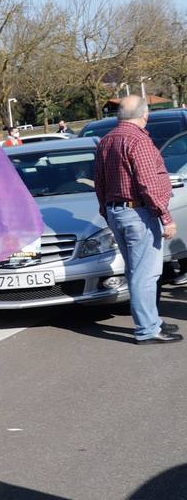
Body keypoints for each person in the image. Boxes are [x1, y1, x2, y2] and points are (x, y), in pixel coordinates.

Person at [94, 96, 183, 344]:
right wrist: (166, 218)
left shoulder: (106, 140)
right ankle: (148, 329)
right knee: (145, 274)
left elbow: (99, 183)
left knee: (136, 271)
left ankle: (151, 320)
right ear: (145, 115)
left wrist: (107, 212)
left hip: (119, 211)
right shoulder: (138, 140)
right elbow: (147, 183)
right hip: (139, 213)